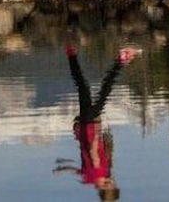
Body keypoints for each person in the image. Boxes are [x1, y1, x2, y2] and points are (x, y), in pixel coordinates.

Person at [54, 42, 141, 200]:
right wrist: (62, 168)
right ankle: (70, 52)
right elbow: (77, 170)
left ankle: (121, 59)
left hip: (91, 127)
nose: (114, 181)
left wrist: (97, 133)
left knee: (103, 90)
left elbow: (94, 151)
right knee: (84, 88)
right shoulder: (88, 179)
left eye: (113, 185)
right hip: (82, 127)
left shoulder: (100, 172)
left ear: (108, 188)